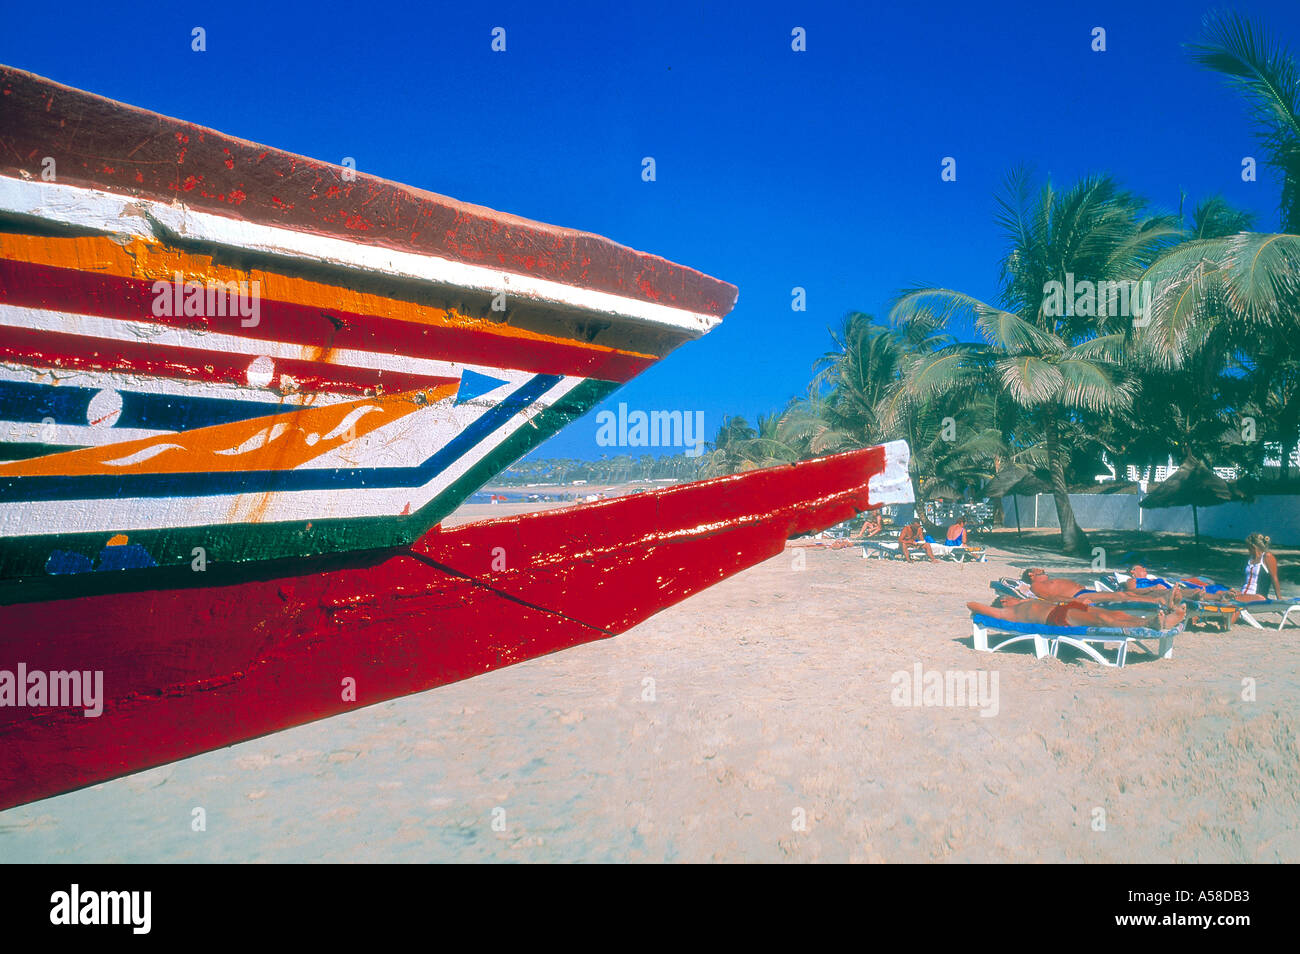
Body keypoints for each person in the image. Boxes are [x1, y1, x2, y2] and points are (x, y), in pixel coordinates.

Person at [968, 595, 1186, 630]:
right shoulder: (1007, 614)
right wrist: (999, 606)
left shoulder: (1025, 601)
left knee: (1117, 614)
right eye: (1006, 599)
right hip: (1059, 618)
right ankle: (1146, 625)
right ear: (1003, 602)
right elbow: (972, 605)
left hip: (1065, 608)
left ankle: (1159, 619)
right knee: (1102, 619)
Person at [1021, 567, 1179, 606]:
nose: (1042, 570)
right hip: (1078, 597)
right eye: (1039, 570)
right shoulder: (1036, 586)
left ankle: (1161, 597)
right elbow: (1052, 597)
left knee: (1124, 596)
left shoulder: (1046, 582)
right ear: (1031, 575)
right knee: (1120, 596)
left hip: (1083, 592)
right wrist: (1073, 601)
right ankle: (1158, 602)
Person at [1230, 532, 1283, 602]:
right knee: (1222, 593)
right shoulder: (1251, 558)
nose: (1247, 549)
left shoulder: (1267, 557)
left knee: (1232, 599)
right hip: (1244, 594)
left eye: (1248, 547)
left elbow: (1274, 579)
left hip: (1258, 596)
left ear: (1253, 547)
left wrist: (1279, 600)